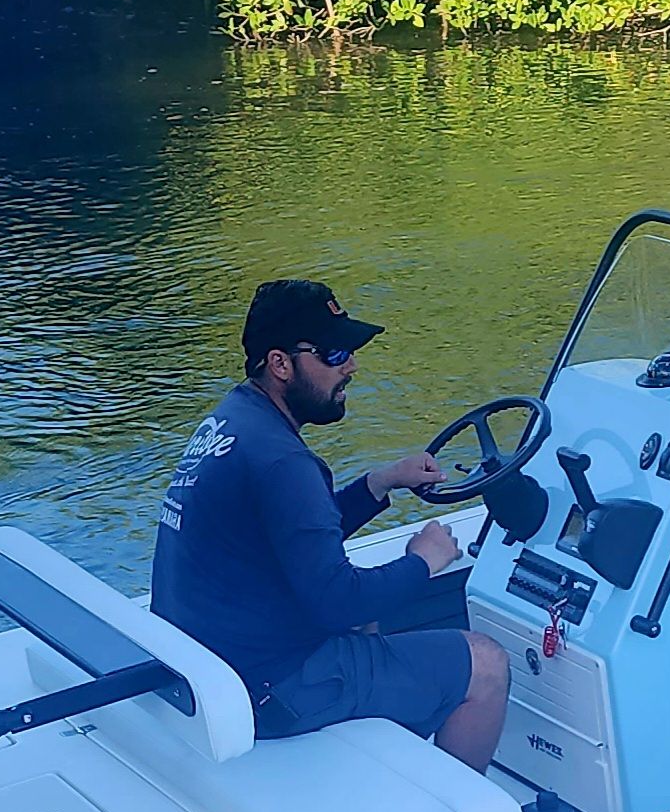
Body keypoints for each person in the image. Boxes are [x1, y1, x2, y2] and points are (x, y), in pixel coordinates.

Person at [151, 279, 510, 771]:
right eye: (335, 354)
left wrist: (379, 483)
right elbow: (339, 600)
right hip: (270, 691)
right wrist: (423, 561)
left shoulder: (231, 422)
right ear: (280, 364)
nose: (351, 366)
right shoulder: (285, 462)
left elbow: (291, 536)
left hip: (212, 670)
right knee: (486, 664)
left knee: (367, 622)